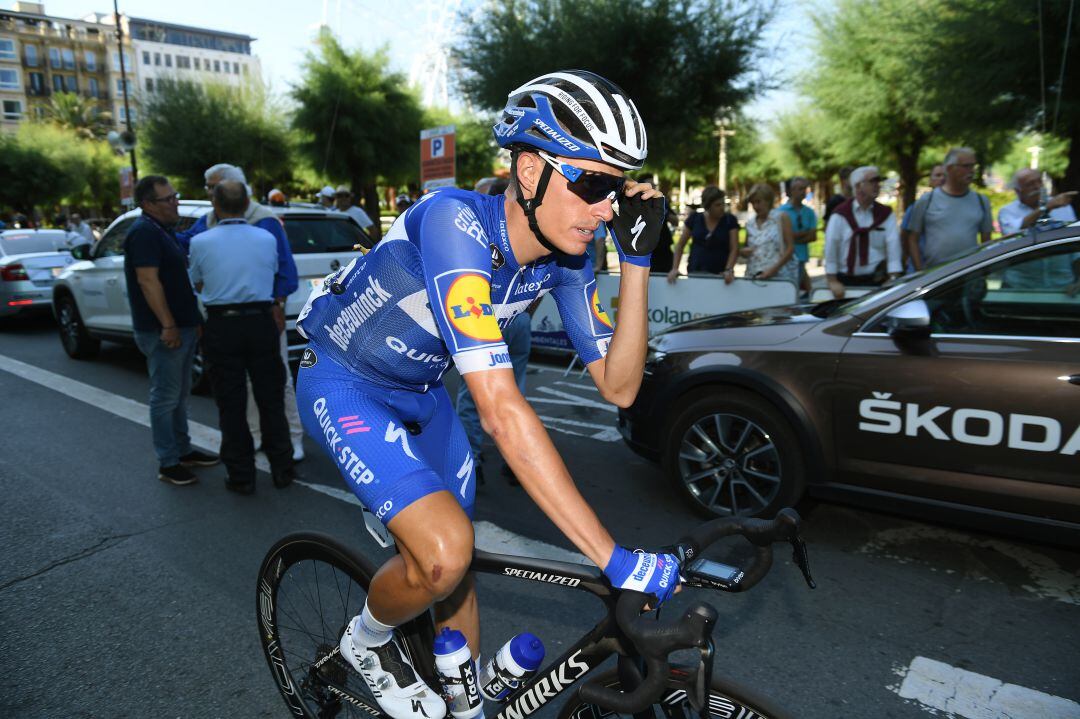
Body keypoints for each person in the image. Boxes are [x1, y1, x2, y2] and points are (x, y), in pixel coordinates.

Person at [294, 70, 679, 719]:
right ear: (529, 173)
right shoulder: (456, 223)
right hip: (344, 379)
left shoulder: (568, 258)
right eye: (592, 184)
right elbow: (500, 410)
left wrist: (637, 262)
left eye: (617, 189)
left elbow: (619, 385)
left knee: (454, 562)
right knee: (443, 550)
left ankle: (463, 705)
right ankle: (364, 641)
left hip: (420, 392)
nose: (608, 207)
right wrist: (612, 557)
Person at [178, 163, 304, 461]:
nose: (208, 192)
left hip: (264, 314)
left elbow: (284, 271)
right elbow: (185, 246)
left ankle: (293, 437)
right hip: (233, 319)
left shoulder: (265, 221)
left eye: (212, 186)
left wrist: (278, 304)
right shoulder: (208, 222)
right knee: (246, 386)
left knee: (280, 380)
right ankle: (257, 436)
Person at [124, 175, 219, 486]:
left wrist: (192, 321)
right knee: (165, 397)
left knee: (178, 395)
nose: (175, 202)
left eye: (175, 196)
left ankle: (182, 449)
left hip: (183, 325)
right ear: (148, 204)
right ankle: (168, 461)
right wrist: (168, 324)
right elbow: (148, 282)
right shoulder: (143, 233)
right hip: (163, 330)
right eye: (168, 199)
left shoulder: (161, 230)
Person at [454, 176, 531, 486]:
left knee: (472, 396)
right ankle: (518, 463)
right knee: (515, 392)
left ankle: (473, 461)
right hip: (517, 320)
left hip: (486, 322)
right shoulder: (527, 233)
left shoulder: (479, 233)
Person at [905, 147, 992, 269]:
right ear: (950, 168)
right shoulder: (927, 200)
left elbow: (986, 240)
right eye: (966, 166)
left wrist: (983, 269)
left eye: (973, 166)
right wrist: (920, 272)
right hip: (936, 277)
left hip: (970, 276)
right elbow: (912, 239)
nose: (972, 171)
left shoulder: (981, 201)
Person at [824, 166, 902, 298]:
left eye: (878, 181)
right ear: (858, 186)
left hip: (878, 282)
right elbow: (831, 246)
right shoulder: (840, 214)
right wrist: (832, 280)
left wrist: (893, 277)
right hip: (845, 283)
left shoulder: (885, 214)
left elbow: (893, 245)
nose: (878, 185)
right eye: (873, 181)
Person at [667, 186, 739, 284]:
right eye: (717, 205)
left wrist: (729, 269)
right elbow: (680, 245)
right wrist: (675, 268)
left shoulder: (730, 220)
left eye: (723, 204)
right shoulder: (695, 218)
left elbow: (734, 248)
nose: (722, 207)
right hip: (695, 271)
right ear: (708, 206)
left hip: (720, 275)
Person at [742, 183, 797, 285]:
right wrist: (744, 252)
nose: (755, 206)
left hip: (778, 276)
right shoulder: (750, 223)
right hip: (753, 275)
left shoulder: (781, 218)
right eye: (753, 203)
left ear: (768, 201)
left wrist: (773, 269)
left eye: (758, 202)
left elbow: (790, 248)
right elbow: (746, 247)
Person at [998, 168, 1078, 234]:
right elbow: (1012, 233)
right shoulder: (1007, 211)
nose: (1038, 186)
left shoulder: (1060, 204)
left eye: (1040, 181)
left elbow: (1074, 232)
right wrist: (1046, 207)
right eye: (1030, 184)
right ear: (1018, 191)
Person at [901, 164, 945, 272]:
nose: (942, 179)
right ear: (930, 181)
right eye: (937, 175)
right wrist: (917, 267)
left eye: (945, 175)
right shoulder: (919, 205)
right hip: (921, 271)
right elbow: (905, 236)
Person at [779, 177, 817, 296]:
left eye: (804, 189)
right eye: (799, 189)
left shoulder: (809, 212)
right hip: (784, 258)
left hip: (801, 257)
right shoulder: (780, 211)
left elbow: (812, 236)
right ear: (791, 191)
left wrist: (791, 236)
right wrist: (802, 234)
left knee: (795, 291)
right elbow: (781, 236)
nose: (803, 192)